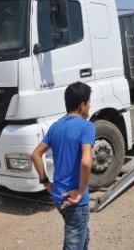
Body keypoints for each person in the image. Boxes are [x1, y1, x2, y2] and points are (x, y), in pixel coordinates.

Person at [31, 82, 95, 250]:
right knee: (74, 243)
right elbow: (86, 161)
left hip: (58, 196)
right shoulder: (87, 127)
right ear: (82, 105)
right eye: (89, 102)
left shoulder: (56, 126)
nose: (90, 106)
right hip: (74, 201)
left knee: (83, 237)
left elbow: (35, 155)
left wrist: (46, 182)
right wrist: (80, 192)